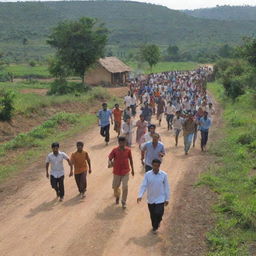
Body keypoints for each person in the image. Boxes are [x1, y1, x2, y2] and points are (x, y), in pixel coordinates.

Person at [137, 159, 170, 234]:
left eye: (157, 166)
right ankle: (155, 227)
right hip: (151, 199)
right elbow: (143, 185)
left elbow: (166, 187)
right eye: (154, 166)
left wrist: (167, 198)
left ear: (159, 166)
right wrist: (140, 195)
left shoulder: (164, 175)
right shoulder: (147, 175)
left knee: (159, 213)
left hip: (160, 199)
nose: (156, 167)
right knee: (152, 215)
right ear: (152, 165)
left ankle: (157, 222)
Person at [108, 137, 135, 209]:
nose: (122, 144)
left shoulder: (128, 150)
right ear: (118, 142)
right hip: (117, 172)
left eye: (124, 142)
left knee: (125, 186)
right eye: (121, 142)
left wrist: (132, 169)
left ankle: (123, 201)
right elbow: (110, 157)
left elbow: (131, 159)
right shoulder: (114, 150)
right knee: (115, 187)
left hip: (125, 171)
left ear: (125, 142)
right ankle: (117, 196)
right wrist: (110, 162)